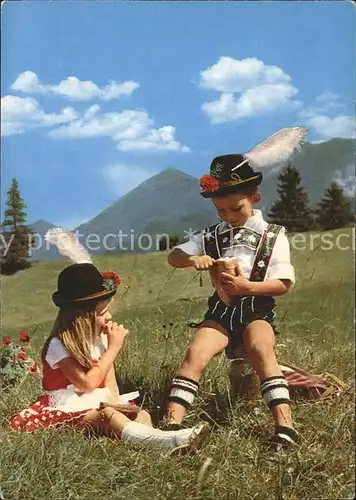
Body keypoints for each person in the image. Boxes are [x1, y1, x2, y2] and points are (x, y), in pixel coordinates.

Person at [164, 128, 307, 452]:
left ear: (255, 198)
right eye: (221, 211)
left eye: (235, 208)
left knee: (260, 348)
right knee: (196, 352)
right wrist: (194, 259)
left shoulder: (273, 235)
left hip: (256, 309)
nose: (228, 216)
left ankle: (285, 428)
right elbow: (173, 256)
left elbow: (283, 284)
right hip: (221, 310)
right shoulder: (210, 234)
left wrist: (247, 286)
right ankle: (171, 426)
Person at [10, 261, 210, 450]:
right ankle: (172, 441)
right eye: (103, 312)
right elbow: (86, 384)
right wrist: (114, 348)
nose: (109, 317)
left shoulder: (99, 340)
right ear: (82, 317)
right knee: (106, 416)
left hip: (96, 402)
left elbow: (109, 382)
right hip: (67, 407)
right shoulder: (59, 345)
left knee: (141, 414)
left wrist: (118, 403)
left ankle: (157, 443)